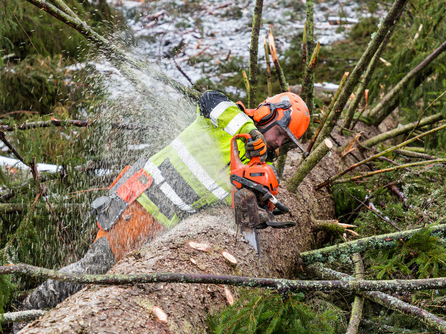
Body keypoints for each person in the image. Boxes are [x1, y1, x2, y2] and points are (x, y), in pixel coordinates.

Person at [24, 90, 310, 309]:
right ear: (270, 114)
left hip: (160, 223)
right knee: (93, 269)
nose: (278, 143)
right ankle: (26, 311)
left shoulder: (249, 161)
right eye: (280, 134)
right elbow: (210, 99)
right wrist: (246, 130)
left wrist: (259, 207)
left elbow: (233, 202)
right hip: (138, 203)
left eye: (286, 142)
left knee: (109, 286)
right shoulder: (228, 118)